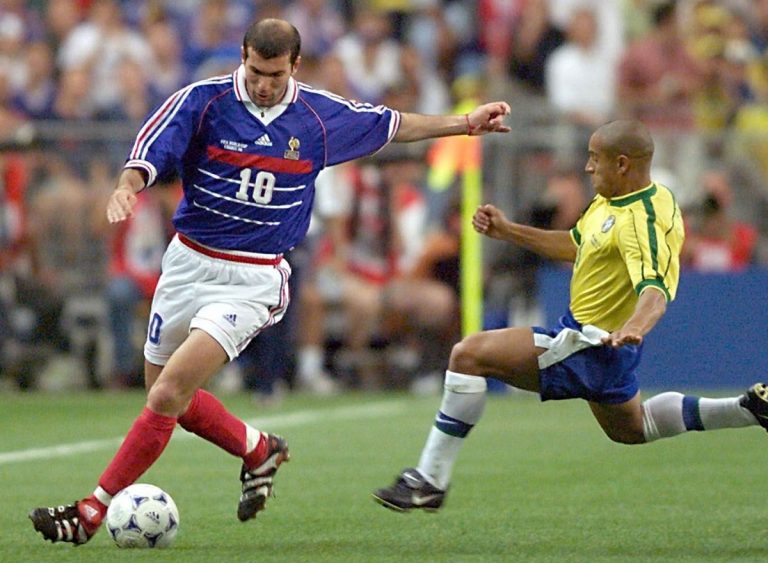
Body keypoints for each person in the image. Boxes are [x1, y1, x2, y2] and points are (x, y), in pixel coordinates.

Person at [28, 18, 511, 545]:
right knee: (170, 399)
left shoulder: (318, 116)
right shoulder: (205, 101)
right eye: (256, 71)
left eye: (275, 75)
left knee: (167, 394)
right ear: (243, 56)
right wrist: (128, 185)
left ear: (294, 67)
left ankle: (91, 511)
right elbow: (152, 146)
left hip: (253, 277)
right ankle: (259, 450)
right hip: (187, 264)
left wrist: (466, 123)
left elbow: (394, 125)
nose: (263, 84)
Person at [372, 119, 768, 513]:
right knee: (633, 428)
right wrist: (509, 231)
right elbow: (577, 245)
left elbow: (655, 291)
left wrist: (634, 326)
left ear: (622, 164)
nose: (587, 167)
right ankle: (746, 408)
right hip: (606, 345)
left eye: (595, 158)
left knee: (469, 355)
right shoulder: (615, 200)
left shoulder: (641, 220)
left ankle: (430, 480)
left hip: (591, 342)